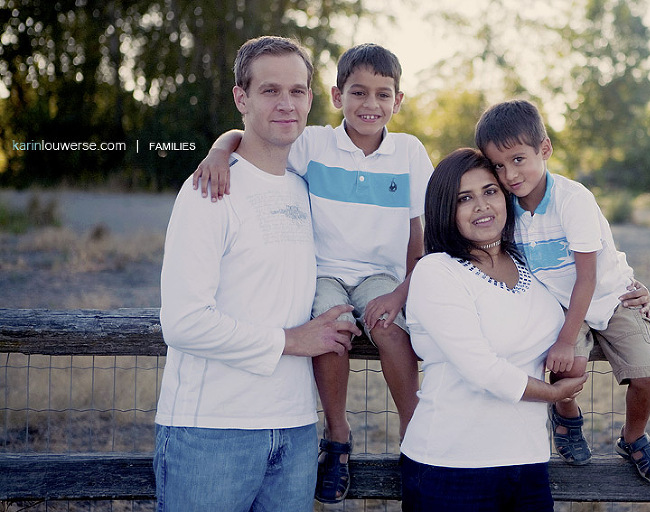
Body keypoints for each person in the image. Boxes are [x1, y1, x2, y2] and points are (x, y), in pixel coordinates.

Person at [191, 43, 432, 503]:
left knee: (391, 330)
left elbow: (417, 230)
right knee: (332, 330)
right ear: (338, 97)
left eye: (383, 95)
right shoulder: (314, 143)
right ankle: (337, 438)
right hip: (324, 273)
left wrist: (404, 290)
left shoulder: (409, 152)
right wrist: (218, 152)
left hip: (380, 276)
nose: (371, 104)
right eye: (358, 93)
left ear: (398, 101)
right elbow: (246, 137)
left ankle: (414, 432)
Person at [154, 36, 361, 512]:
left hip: (294, 431)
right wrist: (294, 340)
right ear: (240, 98)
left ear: (312, 98)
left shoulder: (305, 187)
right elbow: (183, 322)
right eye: (270, 91)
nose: (286, 104)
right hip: (212, 431)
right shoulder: (209, 189)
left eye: (297, 91)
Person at [475, 99, 650, 486]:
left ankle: (633, 439)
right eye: (498, 166)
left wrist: (567, 339)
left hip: (610, 297)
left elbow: (587, 278)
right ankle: (566, 416)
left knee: (646, 373)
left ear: (544, 149)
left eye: (518, 159)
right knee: (567, 372)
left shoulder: (573, 200)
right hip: (558, 303)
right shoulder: (507, 210)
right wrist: (565, 340)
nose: (510, 174)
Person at [400, 148, 588, 511]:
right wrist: (555, 394)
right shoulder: (438, 271)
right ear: (444, 209)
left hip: (529, 461)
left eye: (490, 191)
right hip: (451, 467)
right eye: (464, 198)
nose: (482, 206)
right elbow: (482, 370)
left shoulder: (529, 261)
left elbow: (584, 282)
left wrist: (630, 291)